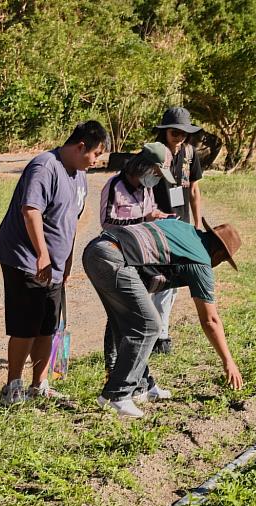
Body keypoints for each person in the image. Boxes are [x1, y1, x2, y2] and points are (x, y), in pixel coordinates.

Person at [0, 120, 110, 405]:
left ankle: (40, 384)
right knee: (25, 326)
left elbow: (69, 221)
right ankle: (13, 386)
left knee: (48, 325)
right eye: (95, 154)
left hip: (54, 264)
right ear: (81, 146)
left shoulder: (79, 175)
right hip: (26, 259)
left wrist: (65, 259)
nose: (96, 161)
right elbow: (31, 211)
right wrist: (42, 254)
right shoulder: (45, 167)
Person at [83, 218, 244, 419]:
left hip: (96, 250)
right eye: (222, 260)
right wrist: (228, 361)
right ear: (219, 253)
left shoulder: (185, 231)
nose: (218, 265)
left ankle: (141, 386)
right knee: (149, 325)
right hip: (114, 258)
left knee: (125, 322)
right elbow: (210, 320)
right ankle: (118, 393)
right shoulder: (200, 259)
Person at [99, 143, 174, 401]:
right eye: (155, 172)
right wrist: (142, 221)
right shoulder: (115, 185)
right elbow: (107, 222)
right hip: (116, 258)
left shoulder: (146, 189)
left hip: (141, 259)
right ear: (143, 167)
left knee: (139, 320)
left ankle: (143, 381)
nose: (156, 179)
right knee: (119, 318)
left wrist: (159, 217)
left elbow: (148, 215)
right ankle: (114, 370)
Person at [150, 107, 204, 355]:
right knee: (156, 279)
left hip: (181, 226)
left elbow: (193, 190)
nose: (179, 136)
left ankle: (161, 332)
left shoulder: (191, 154)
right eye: (174, 131)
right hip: (155, 227)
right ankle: (153, 333)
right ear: (164, 132)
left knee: (173, 281)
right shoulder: (153, 154)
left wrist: (197, 223)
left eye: (184, 132)